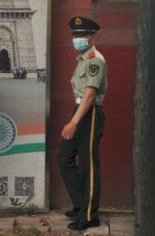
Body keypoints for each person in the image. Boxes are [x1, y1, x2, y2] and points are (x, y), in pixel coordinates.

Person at [57, 16, 107, 231]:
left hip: (90, 113)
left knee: (88, 165)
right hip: (80, 110)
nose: (77, 38)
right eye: (75, 35)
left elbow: (90, 94)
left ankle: (89, 215)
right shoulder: (83, 60)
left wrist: (74, 122)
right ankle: (80, 204)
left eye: (82, 35)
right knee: (64, 158)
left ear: (92, 36)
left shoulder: (95, 59)